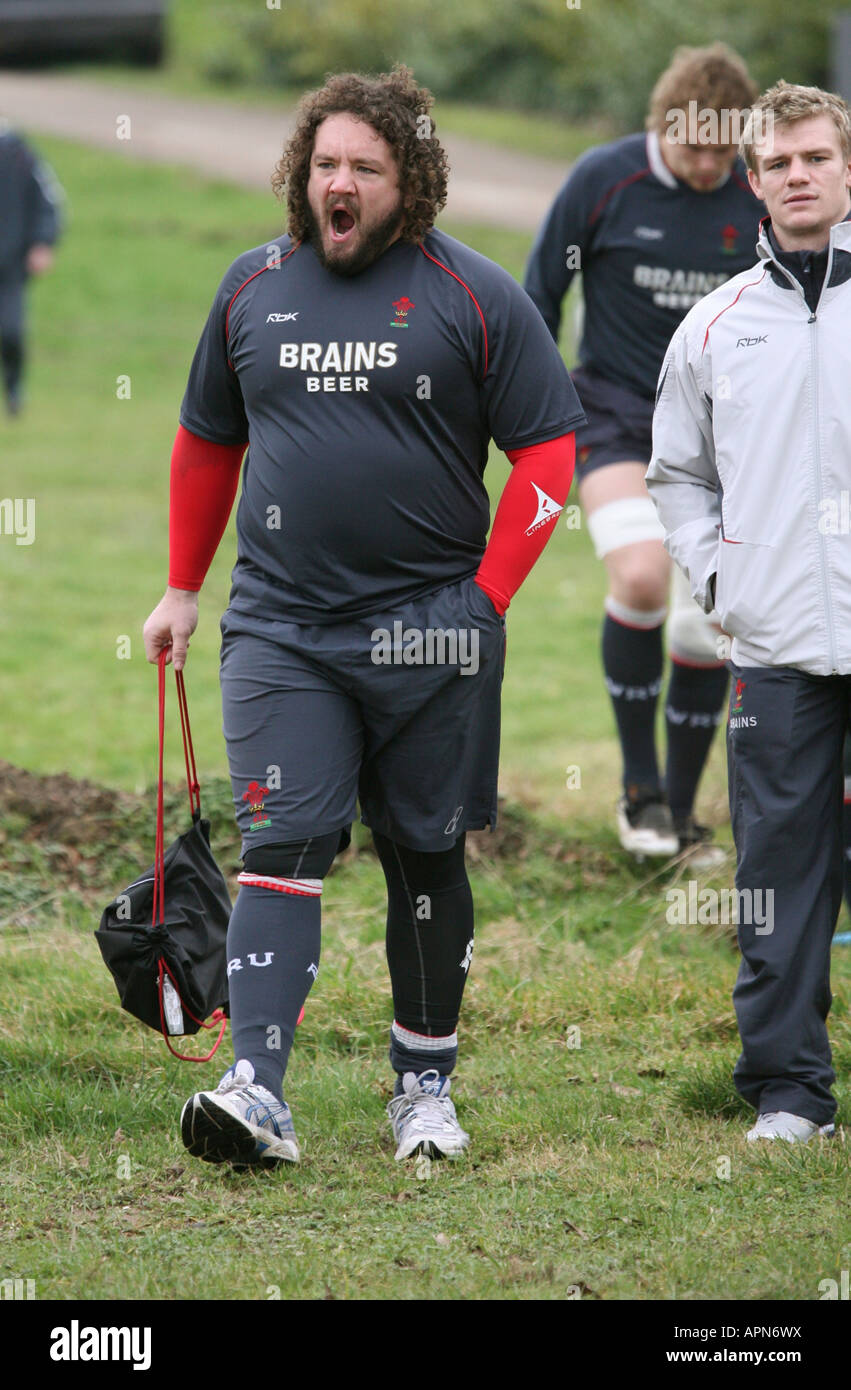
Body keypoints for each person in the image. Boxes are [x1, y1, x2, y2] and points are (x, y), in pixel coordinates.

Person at [142, 66, 585, 1167]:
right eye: (324, 163)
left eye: (364, 168)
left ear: (409, 181)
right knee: (280, 843)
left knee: (424, 854)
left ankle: (422, 1091)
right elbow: (207, 440)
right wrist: (182, 586)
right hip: (282, 627)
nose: (338, 183)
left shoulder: (473, 293)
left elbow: (548, 452)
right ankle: (257, 1091)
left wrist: (486, 598)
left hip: (431, 630)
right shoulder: (252, 287)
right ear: (301, 174)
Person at [647, 80, 851, 1143]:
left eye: (814, 156)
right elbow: (674, 474)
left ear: (845, 170)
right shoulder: (715, 326)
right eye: (776, 164)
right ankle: (786, 1092)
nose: (796, 175)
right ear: (752, 181)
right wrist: (717, 579)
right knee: (775, 878)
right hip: (772, 646)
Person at [524, 44, 763, 862]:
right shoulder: (604, 178)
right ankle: (637, 793)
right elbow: (537, 298)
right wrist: (532, 415)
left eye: (722, 151)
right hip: (616, 413)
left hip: (727, 432)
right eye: (692, 148)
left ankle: (684, 813)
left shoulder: (756, 186)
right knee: (638, 575)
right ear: (660, 128)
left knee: (709, 619)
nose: (708, 166)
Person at [0, 119, 62, 416]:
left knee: (11, 332)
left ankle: (14, 391)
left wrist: (43, 241)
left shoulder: (17, 151)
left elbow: (49, 198)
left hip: (9, 265)